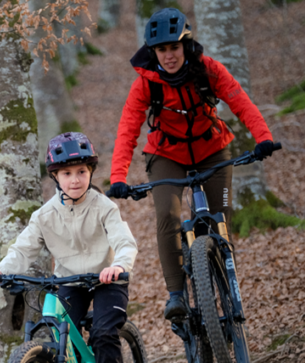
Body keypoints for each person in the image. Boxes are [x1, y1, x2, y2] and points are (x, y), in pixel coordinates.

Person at [105, 7, 276, 321]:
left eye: (174, 47)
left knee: (218, 215)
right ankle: (176, 295)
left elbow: (240, 101)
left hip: (211, 149)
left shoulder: (207, 69)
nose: (169, 56)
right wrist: (118, 176)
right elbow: (128, 129)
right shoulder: (146, 82)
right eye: (162, 50)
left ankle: (226, 279)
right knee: (167, 216)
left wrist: (263, 137)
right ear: (152, 52)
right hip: (166, 156)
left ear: (185, 44)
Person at [0, 132, 138, 363]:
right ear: (55, 177)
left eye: (81, 172)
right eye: (67, 173)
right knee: (58, 332)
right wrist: (0, 270)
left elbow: (124, 241)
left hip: (107, 278)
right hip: (69, 281)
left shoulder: (104, 206)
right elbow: (22, 249)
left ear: (91, 172)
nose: (75, 180)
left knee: (105, 332)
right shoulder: (44, 216)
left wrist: (118, 265)